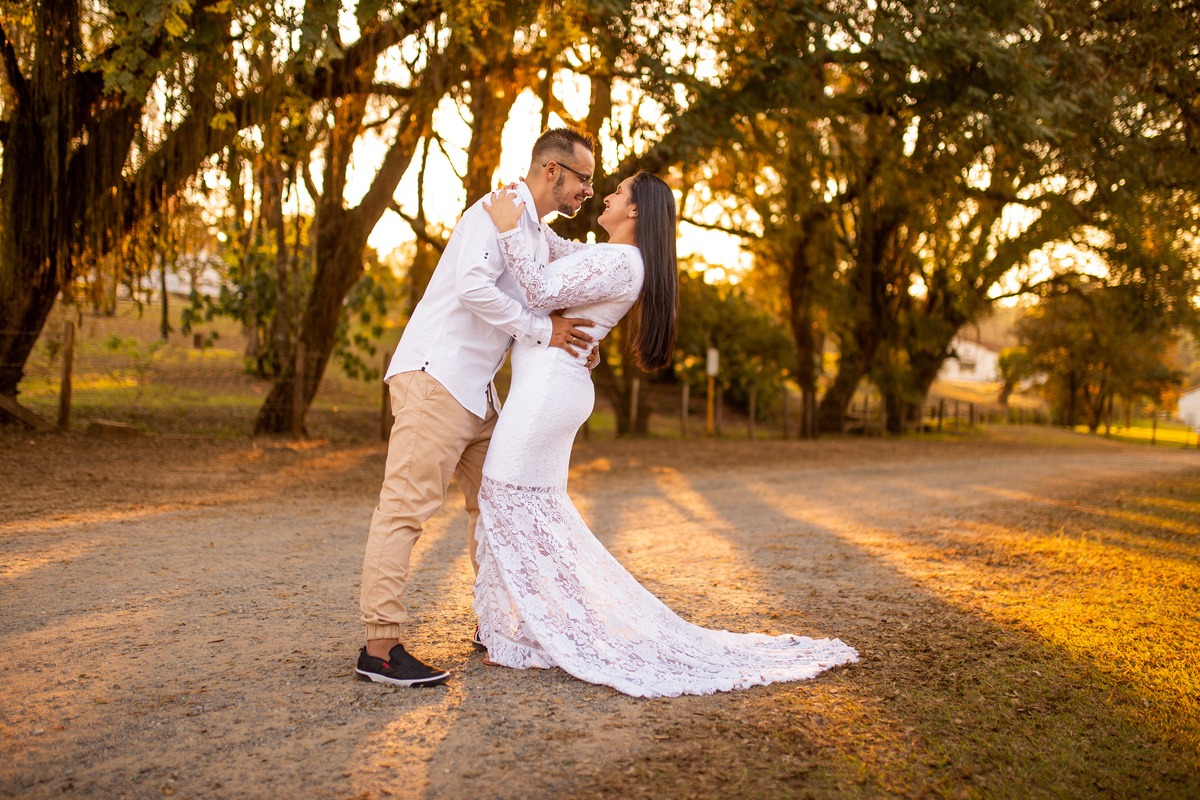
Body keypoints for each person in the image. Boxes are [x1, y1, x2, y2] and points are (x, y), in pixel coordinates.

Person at [471, 172, 859, 697]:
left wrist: (504, 227)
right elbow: (555, 249)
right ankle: (524, 624)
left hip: (546, 395)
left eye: (618, 191)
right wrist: (528, 209)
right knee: (528, 504)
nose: (606, 195)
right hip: (551, 388)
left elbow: (537, 289)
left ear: (634, 211)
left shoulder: (620, 262)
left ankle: (534, 626)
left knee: (506, 495)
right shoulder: (611, 256)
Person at [356, 128, 605, 688]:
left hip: (479, 395)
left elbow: (568, 281)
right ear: (552, 170)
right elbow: (472, 288)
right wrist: (544, 330)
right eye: (583, 178)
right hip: (437, 378)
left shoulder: (535, 231)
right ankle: (380, 647)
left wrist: (576, 338)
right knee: (405, 509)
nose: (589, 190)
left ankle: (494, 622)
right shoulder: (496, 212)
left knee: (496, 506)